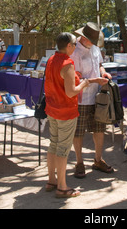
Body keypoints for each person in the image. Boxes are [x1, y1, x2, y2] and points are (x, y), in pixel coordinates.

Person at [44, 32, 90, 198]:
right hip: (65, 111)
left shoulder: (51, 60)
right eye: (74, 45)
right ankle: (62, 187)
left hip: (52, 109)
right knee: (63, 148)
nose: (75, 47)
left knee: (53, 144)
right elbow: (71, 92)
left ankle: (51, 180)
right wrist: (84, 83)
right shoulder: (67, 63)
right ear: (69, 46)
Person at [71, 22, 114, 178]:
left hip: (97, 96)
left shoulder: (95, 48)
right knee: (79, 130)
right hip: (81, 97)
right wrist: (95, 80)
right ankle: (79, 162)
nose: (93, 44)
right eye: (91, 40)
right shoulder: (74, 52)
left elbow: (100, 64)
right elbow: (74, 78)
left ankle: (98, 159)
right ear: (83, 37)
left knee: (99, 128)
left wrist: (103, 73)